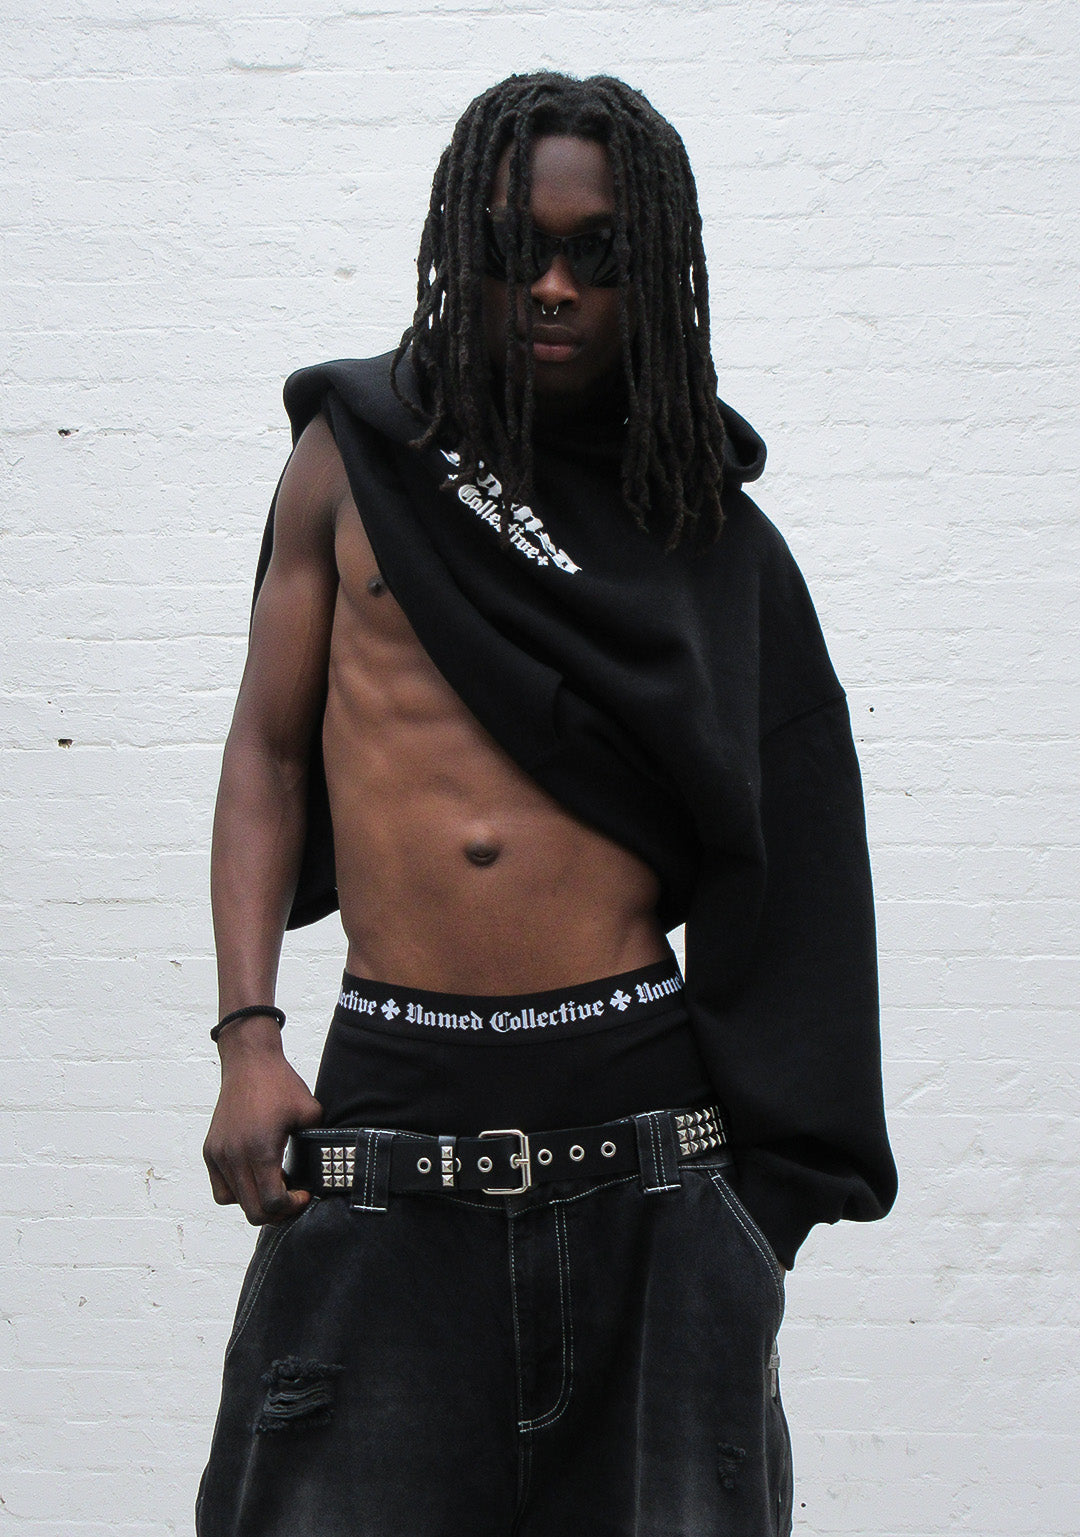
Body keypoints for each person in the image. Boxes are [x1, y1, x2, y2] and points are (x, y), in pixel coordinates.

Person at [196, 71, 896, 1537]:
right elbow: (266, 755)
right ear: (465, 253)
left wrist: (760, 1211)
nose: (555, 287)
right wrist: (248, 1036)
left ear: (656, 275)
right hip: (389, 1120)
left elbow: (805, 857)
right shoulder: (353, 461)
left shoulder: (705, 527)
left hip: (644, 1146)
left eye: (598, 255)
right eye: (517, 251)